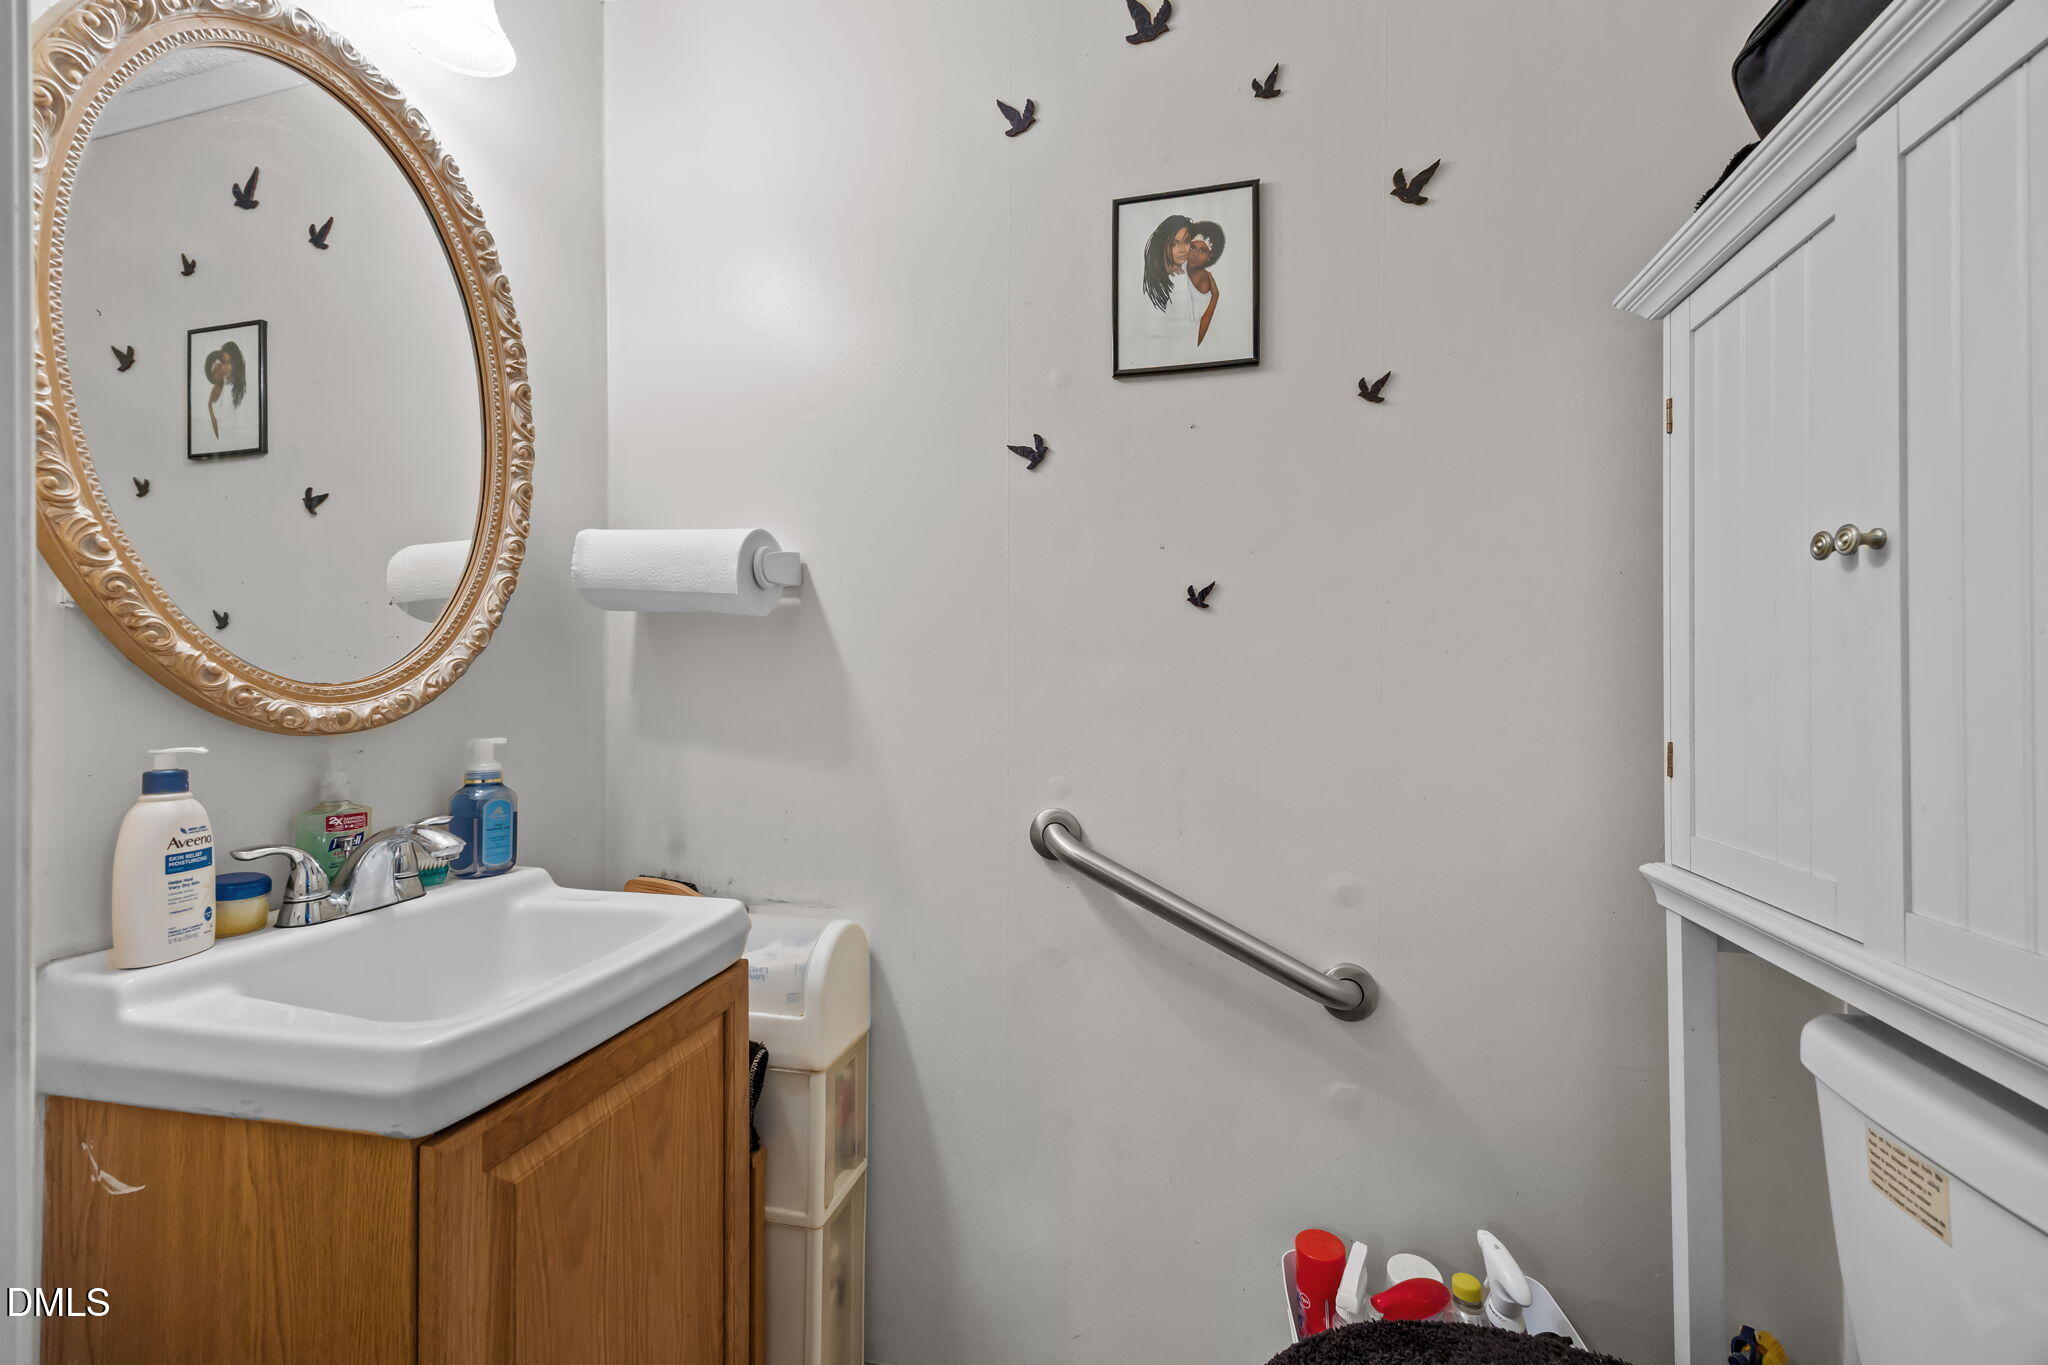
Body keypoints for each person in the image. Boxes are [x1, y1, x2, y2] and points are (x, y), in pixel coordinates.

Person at [1184, 220, 1226, 347]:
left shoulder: (1202, 278)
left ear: (1210, 256)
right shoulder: (1182, 269)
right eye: (1193, 248)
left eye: (1202, 251)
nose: (1195, 254)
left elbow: (1195, 328)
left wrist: (1216, 296)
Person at [202, 340, 247, 441]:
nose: (225, 367)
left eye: (229, 362)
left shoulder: (239, 388)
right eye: (223, 362)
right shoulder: (221, 388)